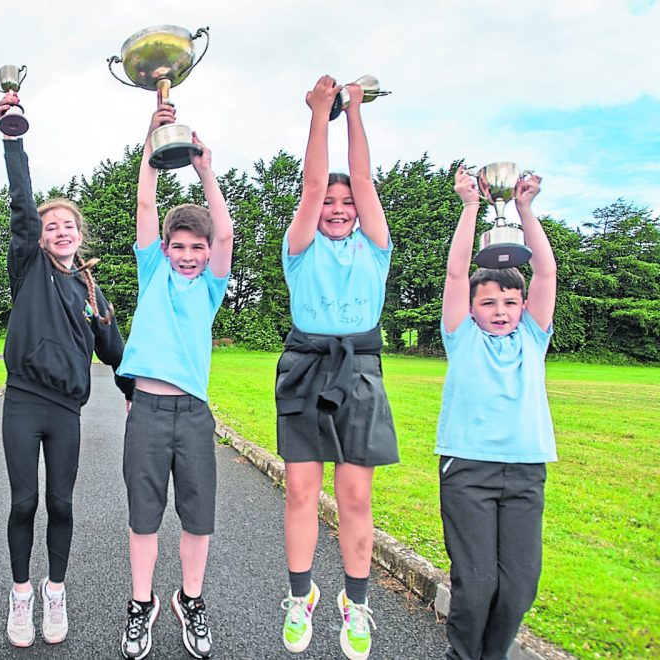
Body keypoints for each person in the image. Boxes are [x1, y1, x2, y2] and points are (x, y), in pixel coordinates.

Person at [0, 90, 134, 648]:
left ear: (79, 235)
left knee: (61, 503)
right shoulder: (28, 267)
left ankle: (56, 592)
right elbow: (21, 201)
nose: (58, 230)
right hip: (24, 400)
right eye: (49, 226)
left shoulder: (91, 289)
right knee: (25, 501)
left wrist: (132, 387)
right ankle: (22, 594)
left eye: (67, 225)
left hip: (66, 409)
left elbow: (115, 352)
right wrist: (14, 138)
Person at [274, 76, 396, 660]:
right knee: (301, 491)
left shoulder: (375, 246)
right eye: (330, 202)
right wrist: (321, 115)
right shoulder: (300, 245)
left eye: (347, 204)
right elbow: (315, 182)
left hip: (360, 370)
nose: (338, 207)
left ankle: (357, 603)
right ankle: (301, 597)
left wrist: (354, 112)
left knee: (354, 496)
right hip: (304, 366)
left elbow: (362, 179)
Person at [116, 101, 233, 660]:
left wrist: (206, 169)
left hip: (192, 415)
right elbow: (144, 200)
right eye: (179, 246)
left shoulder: (210, 287)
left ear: (207, 254)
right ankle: (142, 604)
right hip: (147, 411)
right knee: (144, 516)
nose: (188, 255)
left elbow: (227, 231)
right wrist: (153, 138)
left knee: (197, 516)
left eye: (197, 248)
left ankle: (191, 599)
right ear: (164, 249)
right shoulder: (153, 272)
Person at [437, 168, 555, 660]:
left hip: (526, 472)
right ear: (473, 307)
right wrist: (469, 207)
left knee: (519, 587)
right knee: (476, 585)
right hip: (468, 470)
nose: (501, 310)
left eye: (510, 301)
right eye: (489, 302)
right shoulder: (461, 337)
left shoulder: (533, 337)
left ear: (524, 305)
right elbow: (456, 273)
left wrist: (525, 209)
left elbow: (546, 272)